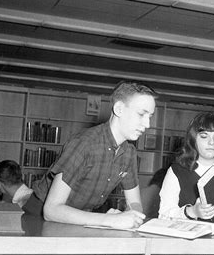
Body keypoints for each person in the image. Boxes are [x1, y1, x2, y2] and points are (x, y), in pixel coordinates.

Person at [31, 81, 157, 228]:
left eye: (150, 116)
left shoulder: (129, 153)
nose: (147, 124)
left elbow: (134, 202)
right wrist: (111, 220)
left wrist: (132, 214)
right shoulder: (84, 144)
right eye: (141, 114)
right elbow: (51, 210)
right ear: (119, 109)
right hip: (40, 216)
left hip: (82, 218)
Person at [158, 112, 214, 223]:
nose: (211, 142)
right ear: (193, 140)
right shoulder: (176, 171)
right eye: (204, 136)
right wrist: (191, 212)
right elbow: (163, 216)